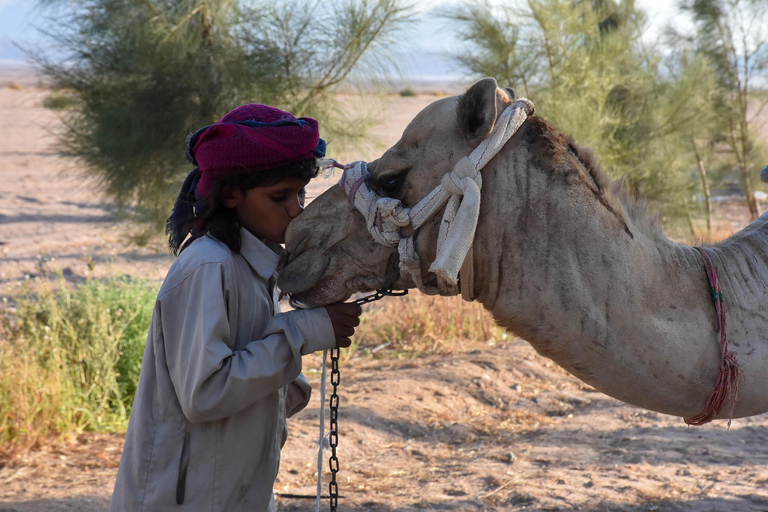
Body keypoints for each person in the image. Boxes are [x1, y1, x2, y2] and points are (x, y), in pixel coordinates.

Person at [109, 104, 363, 512]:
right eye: (279, 196)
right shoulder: (210, 266)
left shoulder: (255, 266)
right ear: (230, 195)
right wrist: (304, 332)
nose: (296, 209)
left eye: (300, 194)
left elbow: (251, 386)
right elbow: (206, 393)